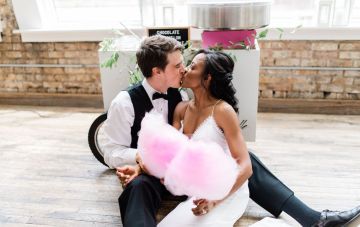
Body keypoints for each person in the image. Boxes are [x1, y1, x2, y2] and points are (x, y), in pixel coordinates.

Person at [103, 35, 360, 227]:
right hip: (156, 175)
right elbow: (112, 152)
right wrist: (141, 161)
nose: (183, 69)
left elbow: (181, 142)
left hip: (188, 171)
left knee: (244, 160)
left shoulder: (179, 94)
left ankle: (312, 218)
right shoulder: (124, 103)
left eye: (187, 65)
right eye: (179, 65)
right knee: (137, 189)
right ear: (157, 71)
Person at [157, 50, 252, 227]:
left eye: (192, 67)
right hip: (198, 191)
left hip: (225, 191)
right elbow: (171, 151)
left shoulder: (223, 111)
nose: (184, 69)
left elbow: (246, 167)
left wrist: (215, 200)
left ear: (207, 78)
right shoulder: (181, 109)